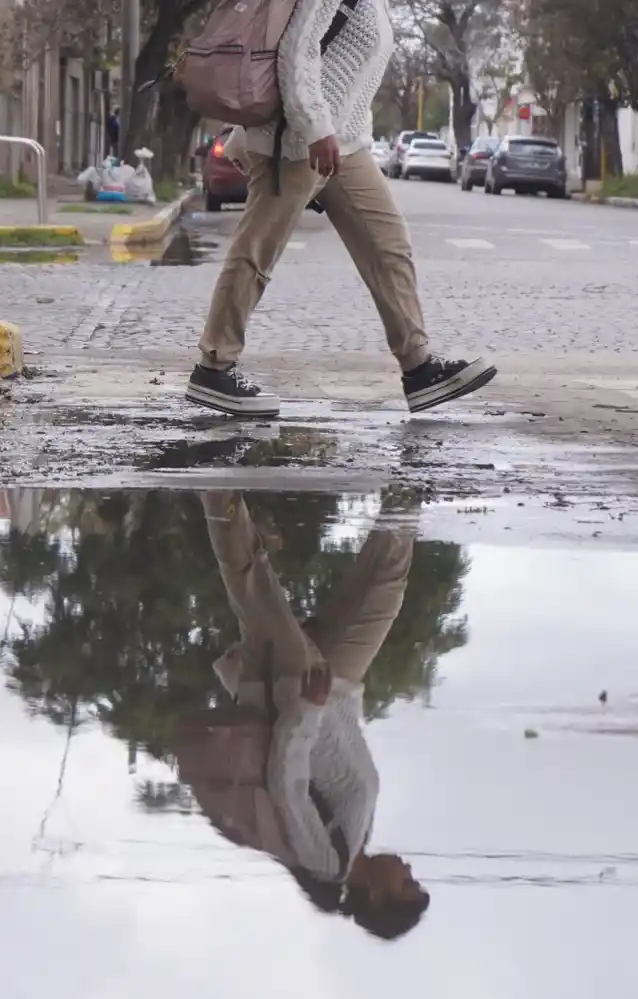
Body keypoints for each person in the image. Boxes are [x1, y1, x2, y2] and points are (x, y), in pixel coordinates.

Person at [184, 0, 497, 419]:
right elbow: (297, 52)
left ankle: (419, 367)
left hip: (347, 144)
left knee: (388, 247)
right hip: (300, 143)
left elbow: (347, 76)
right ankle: (214, 366)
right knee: (256, 251)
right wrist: (315, 128)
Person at [196, 490, 431, 940]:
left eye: (406, 883)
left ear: (376, 897)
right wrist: (338, 697)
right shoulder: (357, 840)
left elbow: (287, 784)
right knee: (387, 585)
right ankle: (408, 487)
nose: (408, 869)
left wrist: (308, 707)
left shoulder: (324, 862)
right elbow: (340, 749)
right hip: (337, 682)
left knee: (254, 582)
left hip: (295, 692)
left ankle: (215, 486)